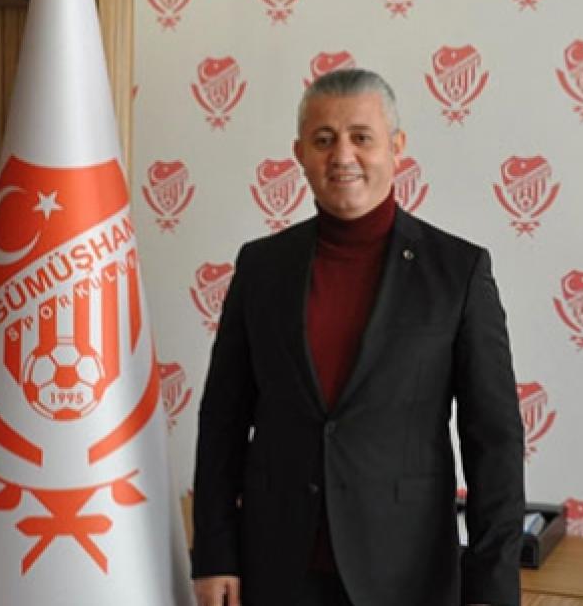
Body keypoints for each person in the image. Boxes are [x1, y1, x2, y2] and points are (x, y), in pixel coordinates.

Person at [191, 68, 524, 606]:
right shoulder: (261, 267)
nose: (342, 155)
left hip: (407, 574)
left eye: (361, 137)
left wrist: (491, 588)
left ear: (397, 147)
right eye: (324, 140)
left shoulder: (458, 272)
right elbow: (222, 422)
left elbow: (495, 441)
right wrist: (214, 553)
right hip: (276, 568)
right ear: (300, 153)